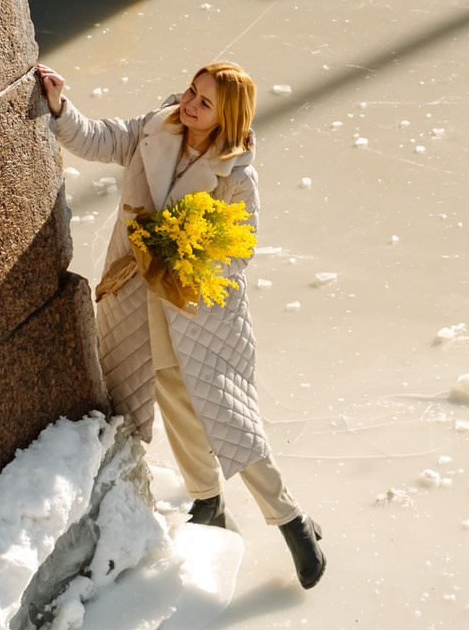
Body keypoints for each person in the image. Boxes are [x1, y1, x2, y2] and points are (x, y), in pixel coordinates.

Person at [35, 58, 327, 590]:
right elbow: (98, 139)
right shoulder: (154, 127)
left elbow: (240, 252)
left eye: (204, 101)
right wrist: (58, 106)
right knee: (171, 397)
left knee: (230, 421)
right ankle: (208, 500)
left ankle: (292, 522)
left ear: (227, 115)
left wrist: (187, 251)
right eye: (192, 92)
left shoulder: (237, 176)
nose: (189, 104)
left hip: (201, 312)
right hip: (139, 296)